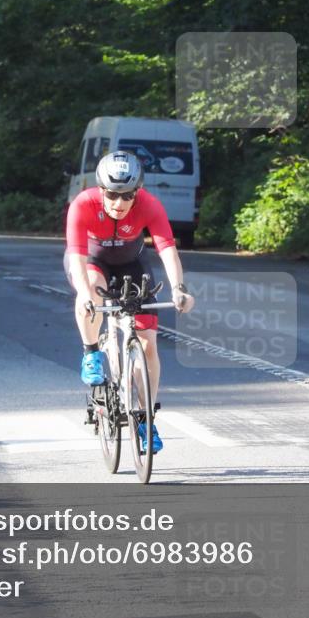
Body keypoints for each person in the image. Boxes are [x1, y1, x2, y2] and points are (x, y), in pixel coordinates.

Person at [64, 151, 195, 453]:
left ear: (138, 191)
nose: (119, 203)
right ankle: (91, 353)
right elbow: (78, 257)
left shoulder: (150, 205)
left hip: (131, 264)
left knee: (148, 343)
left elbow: (166, 249)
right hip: (91, 262)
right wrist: (85, 294)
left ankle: (146, 419)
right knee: (93, 289)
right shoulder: (83, 204)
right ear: (101, 189)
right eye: (112, 194)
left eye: (127, 196)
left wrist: (179, 289)